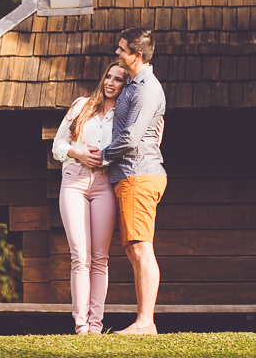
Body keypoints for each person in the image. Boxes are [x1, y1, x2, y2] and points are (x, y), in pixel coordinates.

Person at [86, 27, 167, 336]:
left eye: (121, 49)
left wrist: (102, 155)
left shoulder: (147, 89)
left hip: (139, 175)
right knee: (135, 249)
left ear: (138, 55)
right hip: (130, 176)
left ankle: (146, 323)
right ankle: (143, 321)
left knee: (141, 248)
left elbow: (132, 138)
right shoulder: (133, 84)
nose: (117, 53)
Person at [52, 61, 126, 335]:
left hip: (104, 183)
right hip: (75, 180)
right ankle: (81, 325)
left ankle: (96, 325)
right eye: (108, 76)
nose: (110, 82)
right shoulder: (81, 105)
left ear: (124, 85)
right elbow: (57, 145)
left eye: (118, 79)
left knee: (99, 257)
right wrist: (78, 153)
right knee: (79, 256)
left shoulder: (124, 115)